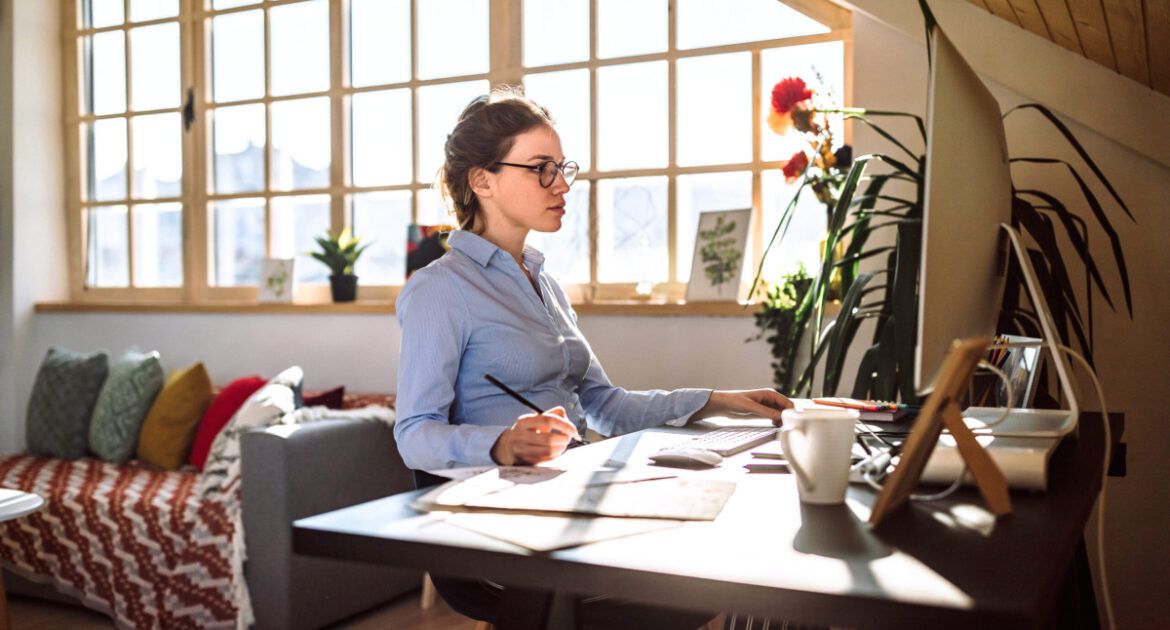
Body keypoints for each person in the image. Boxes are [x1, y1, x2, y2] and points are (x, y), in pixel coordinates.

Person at [394, 87, 793, 629]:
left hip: (568, 497)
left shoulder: (545, 284)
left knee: (754, 541)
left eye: (562, 168)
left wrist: (717, 399)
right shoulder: (439, 290)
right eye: (541, 169)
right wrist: (501, 443)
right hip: (498, 531)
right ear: (482, 181)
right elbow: (413, 432)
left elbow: (606, 406)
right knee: (721, 578)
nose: (561, 185)